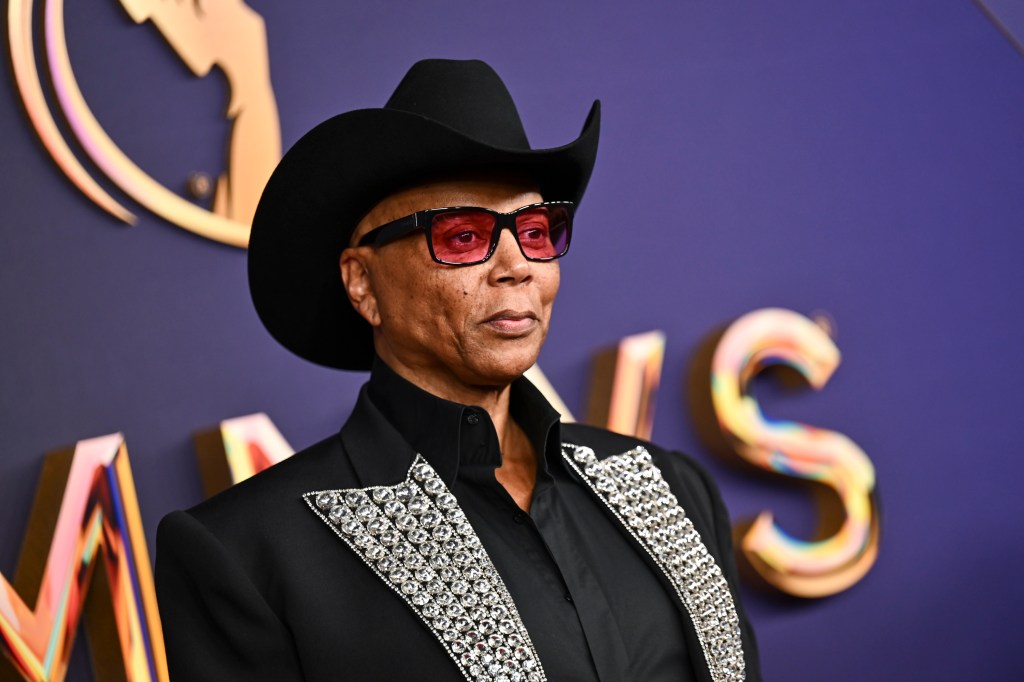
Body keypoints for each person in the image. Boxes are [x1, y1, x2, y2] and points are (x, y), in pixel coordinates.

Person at [155, 58, 761, 682]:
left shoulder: (672, 489)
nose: (517, 265)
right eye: (465, 236)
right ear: (362, 282)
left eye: (534, 230)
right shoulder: (247, 554)